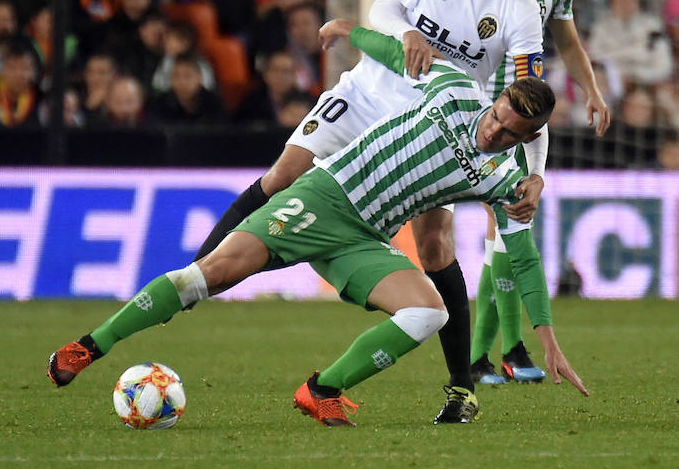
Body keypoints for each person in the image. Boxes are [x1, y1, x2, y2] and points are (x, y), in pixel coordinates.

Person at [47, 22, 589, 427]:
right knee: (206, 276)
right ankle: (87, 347)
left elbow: (522, 257)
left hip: (364, 239)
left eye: (509, 132)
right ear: (494, 102)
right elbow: (395, 52)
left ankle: (321, 389)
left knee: (429, 311)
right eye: (496, 117)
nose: (493, 131)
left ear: (527, 138)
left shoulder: (505, 179)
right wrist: (348, 31)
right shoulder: (452, 92)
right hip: (324, 197)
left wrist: (548, 340)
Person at [193, 0, 549, 423]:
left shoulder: (521, 11)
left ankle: (461, 387)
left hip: (439, 122)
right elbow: (384, 7)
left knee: (435, 247)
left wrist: (537, 174)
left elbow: (532, 106)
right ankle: (198, 277)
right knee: (283, 175)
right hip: (369, 92)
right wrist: (406, 32)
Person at [469, 0, 611, 386]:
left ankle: (491, 355)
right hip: (475, 114)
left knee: (503, 227)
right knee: (498, 226)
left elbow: (568, 43)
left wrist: (590, 89)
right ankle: (499, 351)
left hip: (526, 114)